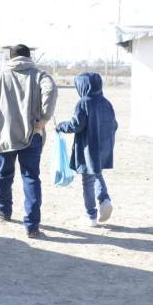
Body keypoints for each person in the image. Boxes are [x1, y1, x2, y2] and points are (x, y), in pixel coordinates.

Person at [0, 44, 58, 239]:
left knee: (4, 174)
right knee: (31, 177)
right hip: (32, 135)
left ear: (11, 58)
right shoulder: (39, 75)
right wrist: (44, 119)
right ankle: (32, 226)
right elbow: (51, 90)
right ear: (28, 57)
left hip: (4, 136)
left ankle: (3, 210)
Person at [56, 73, 118, 227]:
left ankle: (91, 216)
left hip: (88, 148)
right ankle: (104, 199)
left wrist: (61, 126)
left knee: (87, 180)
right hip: (104, 147)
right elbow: (115, 125)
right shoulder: (107, 103)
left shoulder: (83, 103)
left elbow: (76, 125)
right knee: (97, 173)